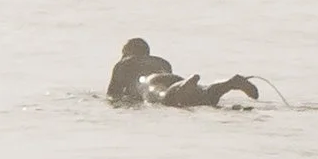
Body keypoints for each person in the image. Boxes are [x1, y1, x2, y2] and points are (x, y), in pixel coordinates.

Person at [106, 39, 257, 107]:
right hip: (175, 80)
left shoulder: (125, 63)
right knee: (203, 96)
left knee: (162, 96)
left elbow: (113, 94)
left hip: (151, 82)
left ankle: (184, 88)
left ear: (127, 52)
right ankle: (229, 83)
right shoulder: (162, 61)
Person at [104, 38, 172, 103]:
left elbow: (113, 94)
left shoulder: (123, 64)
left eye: (124, 54)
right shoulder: (164, 63)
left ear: (128, 52)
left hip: (140, 97)